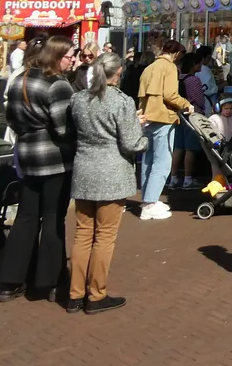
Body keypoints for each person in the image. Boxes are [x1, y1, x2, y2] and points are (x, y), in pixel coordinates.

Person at [0, 36, 76, 303]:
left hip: (27, 154)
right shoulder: (58, 84)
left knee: (26, 217)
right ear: (57, 56)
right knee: (53, 218)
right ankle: (50, 281)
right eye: (69, 56)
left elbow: (10, 117)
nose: (73, 60)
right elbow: (64, 128)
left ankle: (10, 281)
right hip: (54, 157)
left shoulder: (21, 79)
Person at [68, 52, 147, 314]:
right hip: (112, 171)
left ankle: (75, 293)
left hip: (85, 169)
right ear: (119, 72)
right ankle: (96, 294)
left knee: (82, 234)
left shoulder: (78, 99)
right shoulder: (121, 101)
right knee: (104, 236)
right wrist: (143, 136)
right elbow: (131, 143)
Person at [136, 40, 193, 221]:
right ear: (176, 54)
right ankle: (150, 203)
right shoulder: (169, 67)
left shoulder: (149, 68)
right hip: (163, 117)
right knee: (162, 161)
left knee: (148, 160)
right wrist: (186, 104)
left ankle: (147, 199)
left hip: (147, 117)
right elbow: (170, 95)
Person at [170, 53, 210, 189]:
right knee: (190, 148)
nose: (201, 66)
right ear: (193, 64)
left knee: (178, 147)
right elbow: (199, 100)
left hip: (179, 114)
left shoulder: (178, 77)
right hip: (192, 116)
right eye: (199, 63)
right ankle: (188, 179)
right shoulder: (194, 80)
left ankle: (173, 178)